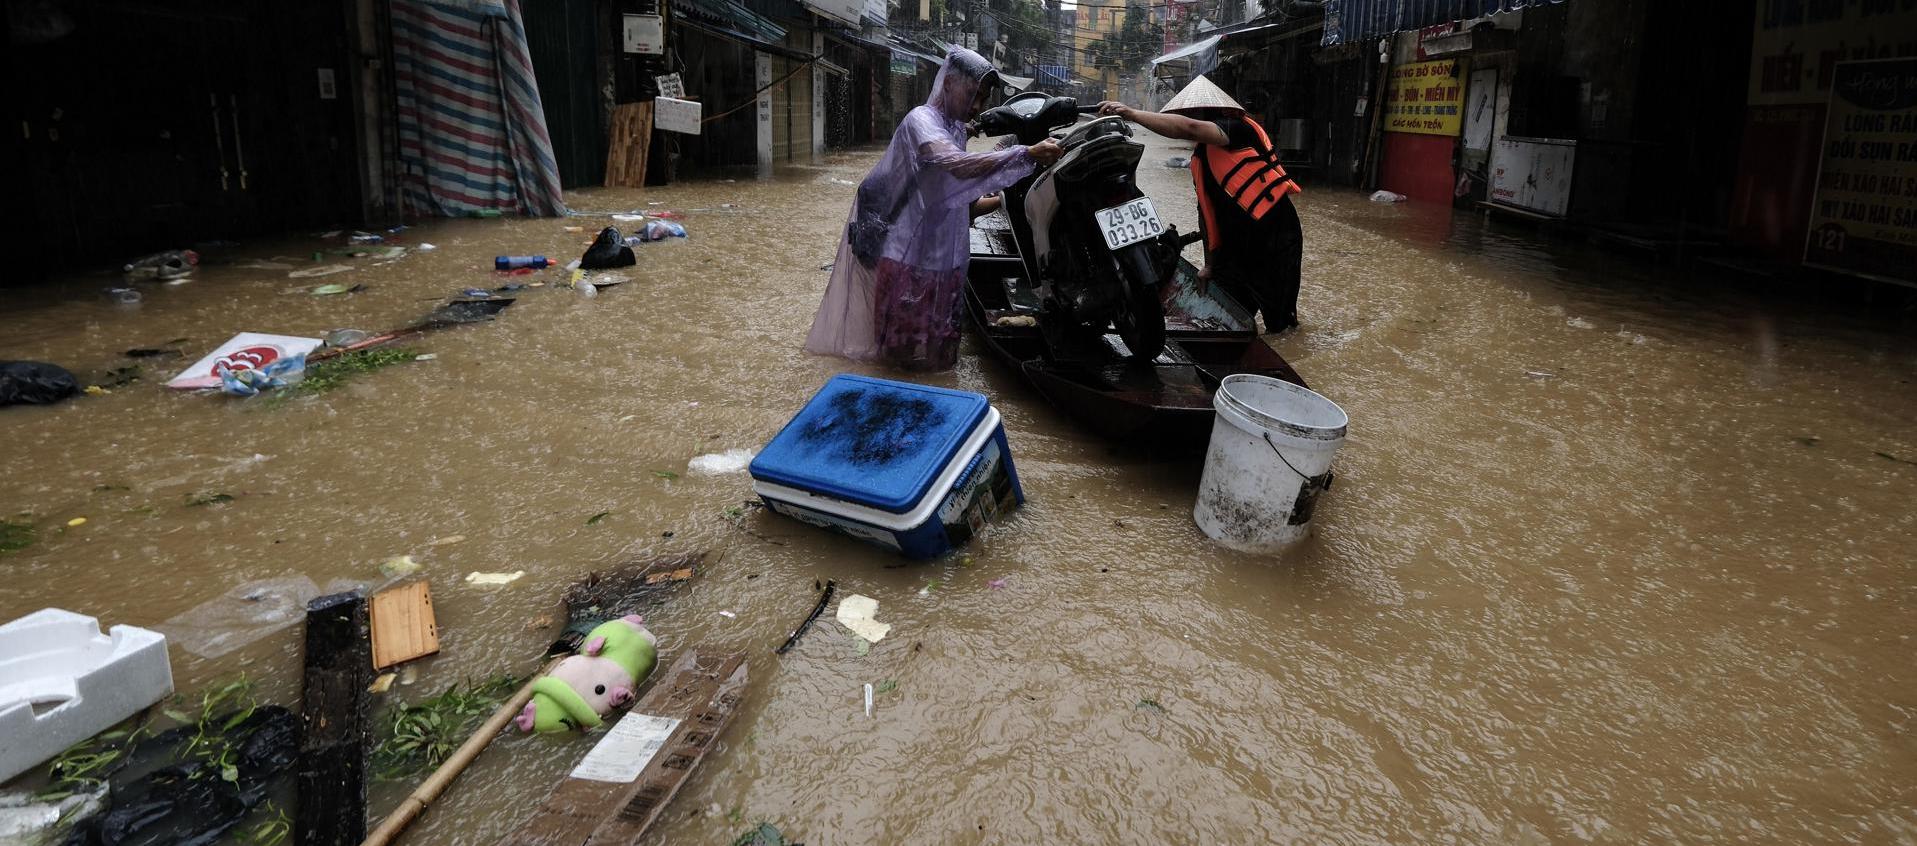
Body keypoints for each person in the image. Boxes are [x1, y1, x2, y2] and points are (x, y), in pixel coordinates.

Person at [806, 50, 1063, 370]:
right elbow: (951, 163)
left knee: (941, 361)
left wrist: (987, 129)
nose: (977, 106)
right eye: (973, 95)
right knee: (896, 361)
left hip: (948, 265)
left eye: (982, 99)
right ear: (950, 83)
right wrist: (1026, 154)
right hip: (906, 264)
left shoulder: (956, 127)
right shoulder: (920, 121)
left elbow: (956, 175)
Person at [1099, 76, 1304, 333]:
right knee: (1232, 317)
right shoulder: (1202, 156)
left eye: (1193, 113)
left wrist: (1133, 114)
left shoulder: (1238, 129)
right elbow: (1206, 214)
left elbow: (1191, 128)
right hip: (1235, 250)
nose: (1189, 118)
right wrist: (1209, 264)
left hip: (1274, 240)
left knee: (1281, 323)